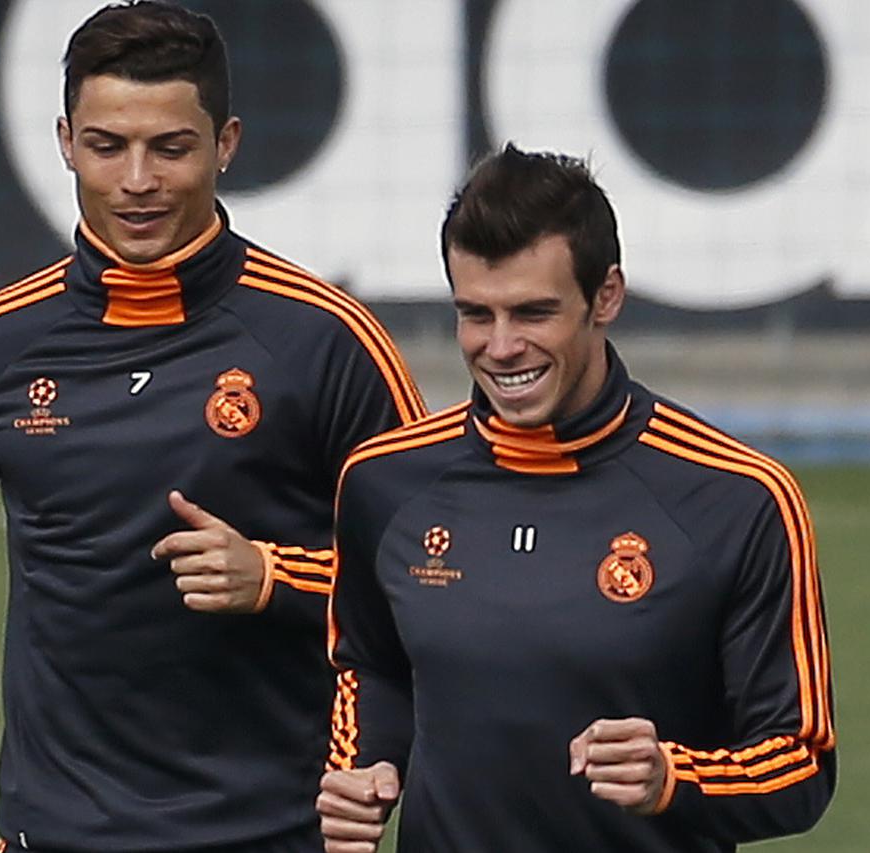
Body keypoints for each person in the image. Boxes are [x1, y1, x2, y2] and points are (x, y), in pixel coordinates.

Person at [0, 3, 425, 851]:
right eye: (107, 145)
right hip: (50, 834)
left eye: (170, 147)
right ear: (65, 142)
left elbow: (434, 568)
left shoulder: (326, 342)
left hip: (270, 833)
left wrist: (275, 575)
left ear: (226, 144)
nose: (137, 180)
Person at [317, 144, 836, 851]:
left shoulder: (737, 498)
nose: (502, 347)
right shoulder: (385, 480)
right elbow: (373, 668)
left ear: (606, 296)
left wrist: (674, 778)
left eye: (534, 313)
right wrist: (364, 767)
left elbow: (801, 764)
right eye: (476, 314)